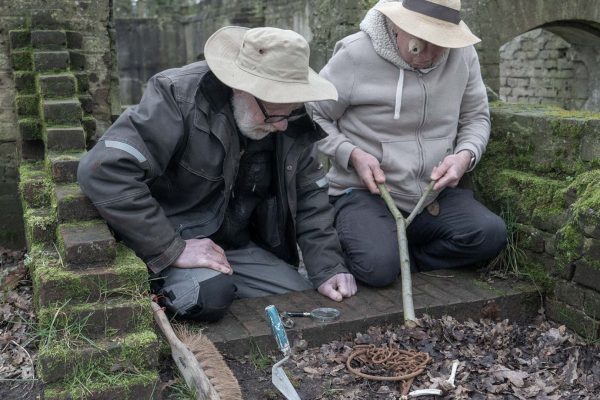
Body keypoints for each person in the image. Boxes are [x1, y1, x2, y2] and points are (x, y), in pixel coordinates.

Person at [77, 26, 357, 321]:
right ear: (240, 87)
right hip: (173, 236)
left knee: (297, 294)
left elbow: (310, 193)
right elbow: (103, 169)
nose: (283, 125)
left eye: (290, 112)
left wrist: (328, 267)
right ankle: (163, 281)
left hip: (236, 246)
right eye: (274, 113)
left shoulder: (289, 116)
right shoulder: (177, 96)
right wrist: (170, 247)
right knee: (209, 296)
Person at [308, 0, 507, 287]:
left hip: (431, 195)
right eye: (420, 45)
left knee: (490, 234)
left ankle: (406, 260)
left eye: (441, 44)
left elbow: (476, 117)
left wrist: (465, 156)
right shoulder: (354, 54)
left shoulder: (464, 55)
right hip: (366, 193)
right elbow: (313, 116)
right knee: (376, 268)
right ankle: (384, 254)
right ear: (397, 27)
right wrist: (351, 154)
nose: (430, 55)